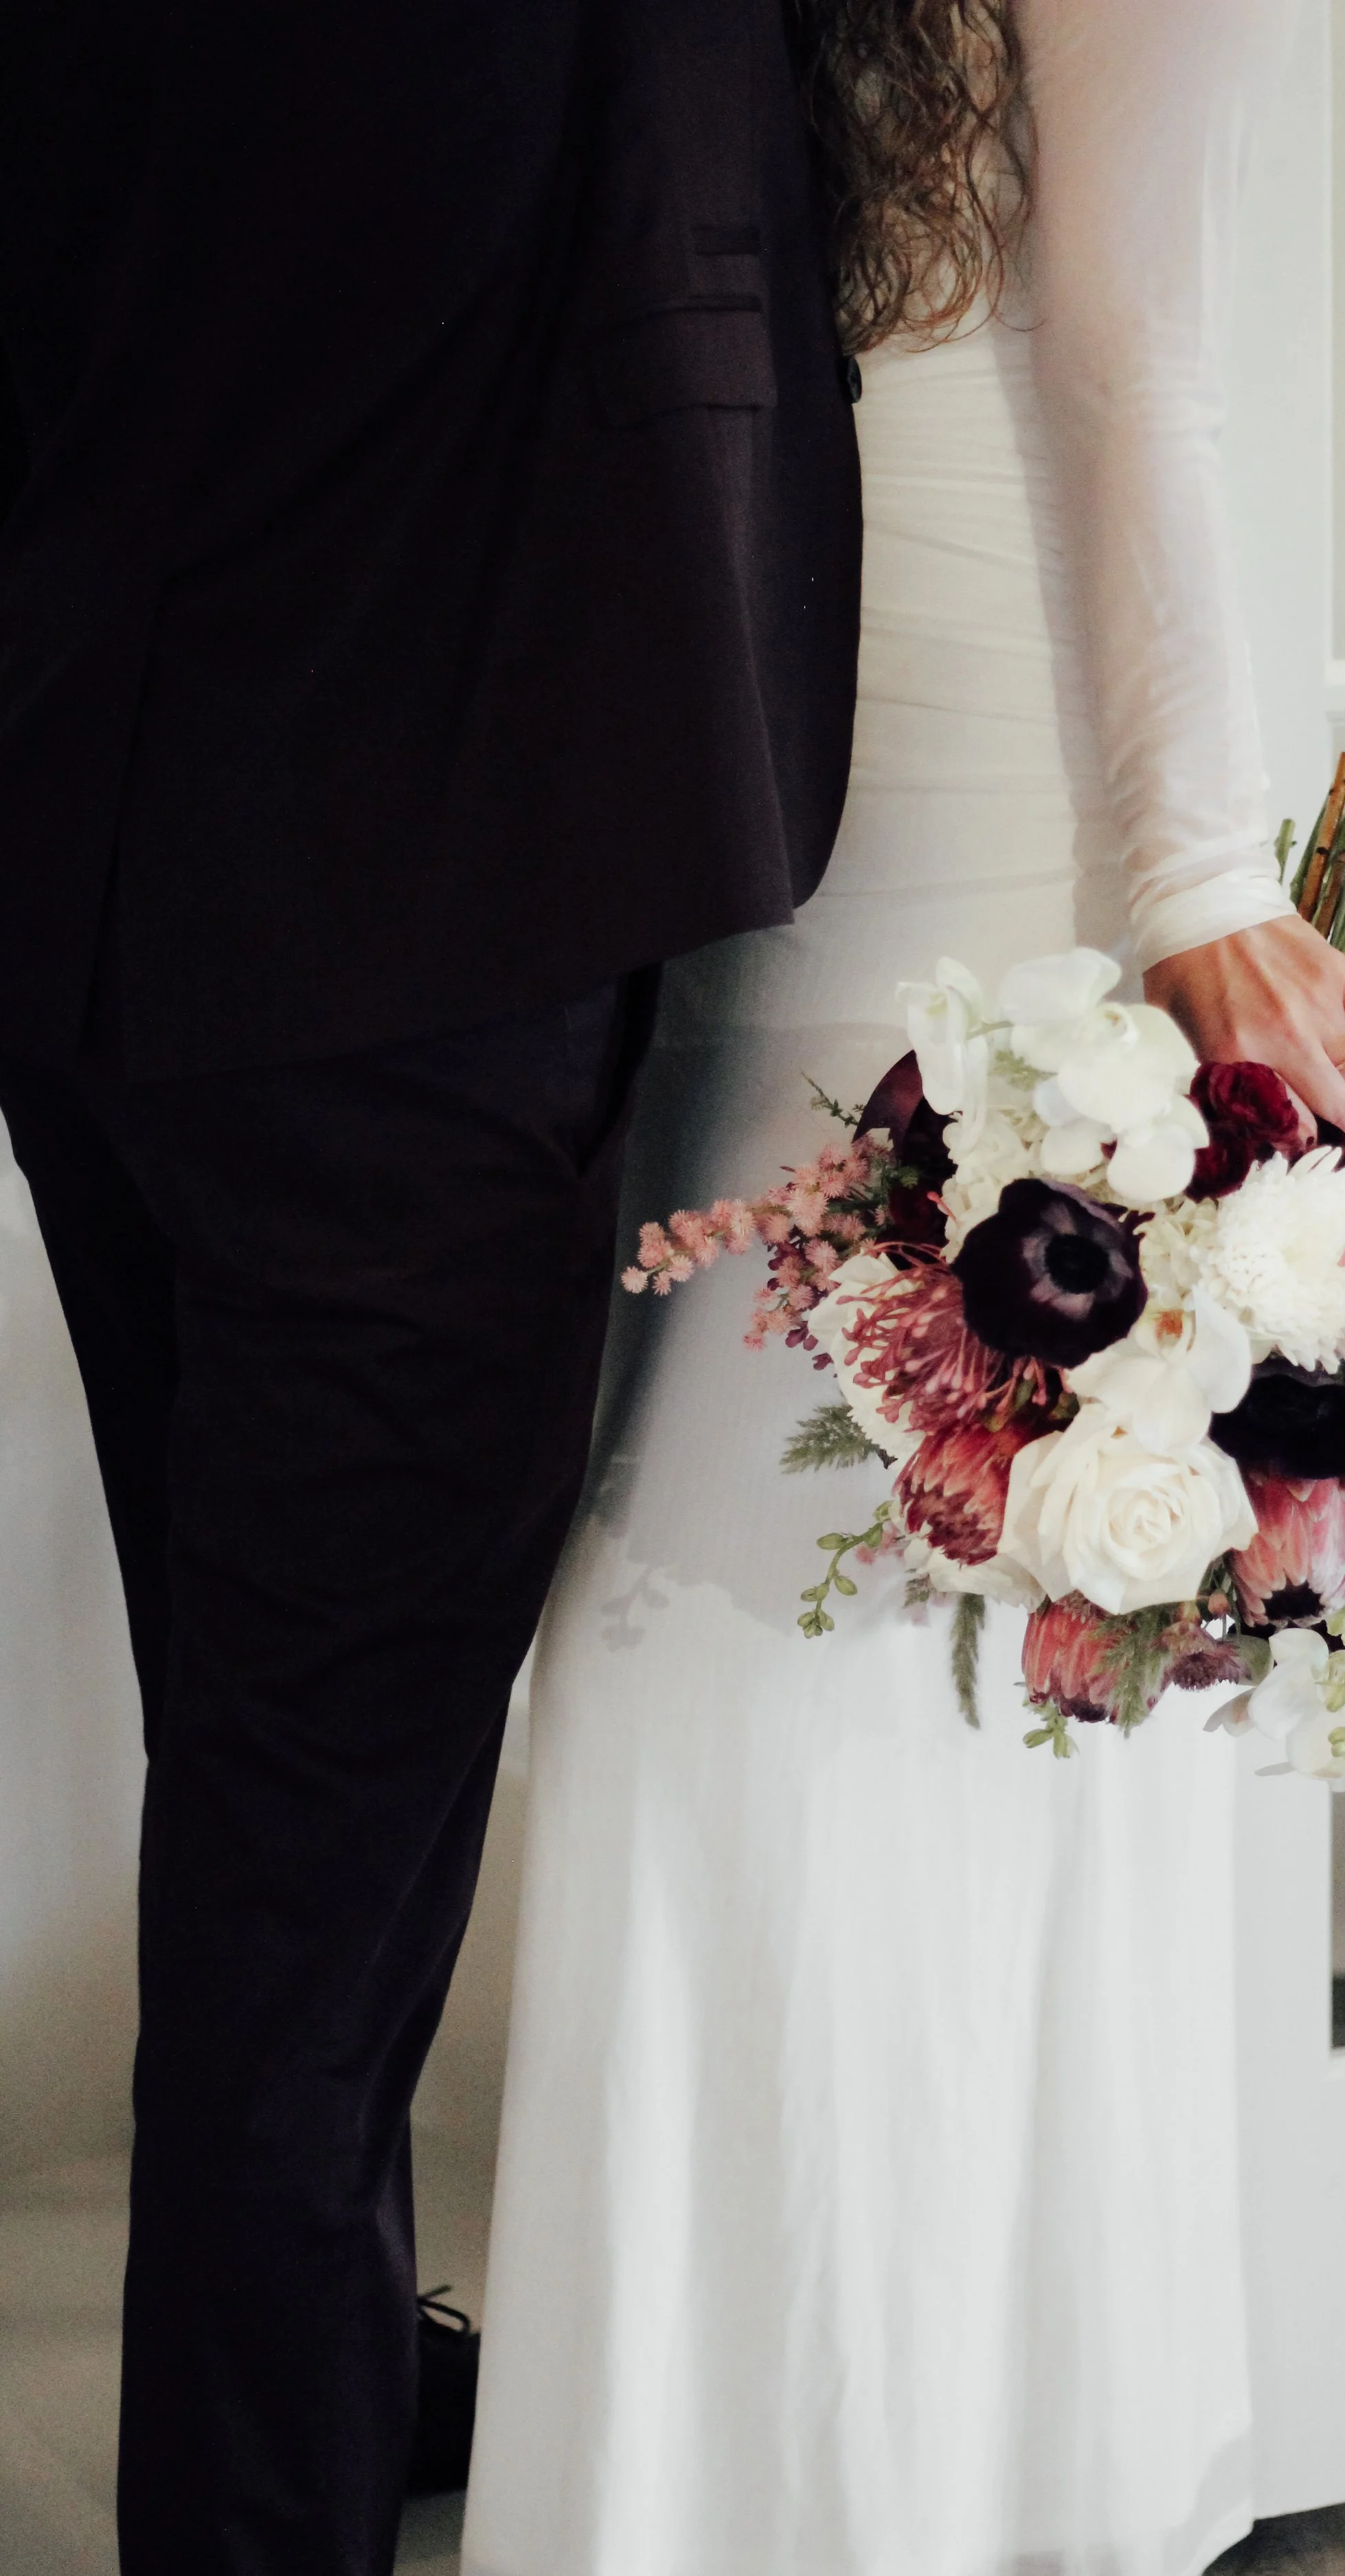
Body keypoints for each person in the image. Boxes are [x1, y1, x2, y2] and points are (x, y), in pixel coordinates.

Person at [465, 5, 1345, 2575]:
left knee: (907, 1621)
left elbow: (1126, 331)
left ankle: (933, 2491)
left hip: (1016, 741)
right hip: (770, 685)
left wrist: (1193, 869)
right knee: (713, 1619)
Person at [0, 6, 862, 2571]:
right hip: (411, 952)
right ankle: (253, 2500)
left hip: (106, 884)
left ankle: (315, 2354)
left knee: (270, 1777)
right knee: (311, 1845)